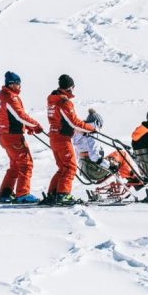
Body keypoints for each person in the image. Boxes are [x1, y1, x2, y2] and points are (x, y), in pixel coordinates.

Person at [0, 71, 44, 203]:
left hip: (4, 135)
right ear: (13, 84)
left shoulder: (0, 96)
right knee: (26, 164)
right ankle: (23, 194)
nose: (20, 87)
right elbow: (20, 115)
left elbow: (11, 117)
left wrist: (27, 127)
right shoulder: (10, 97)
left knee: (15, 166)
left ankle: (5, 193)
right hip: (13, 136)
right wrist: (35, 125)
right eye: (18, 84)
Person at [45, 74, 96, 204]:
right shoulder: (64, 102)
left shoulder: (53, 99)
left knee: (63, 167)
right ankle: (63, 195)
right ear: (70, 88)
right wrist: (90, 128)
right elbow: (73, 122)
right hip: (62, 137)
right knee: (70, 167)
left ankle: (53, 194)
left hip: (54, 135)